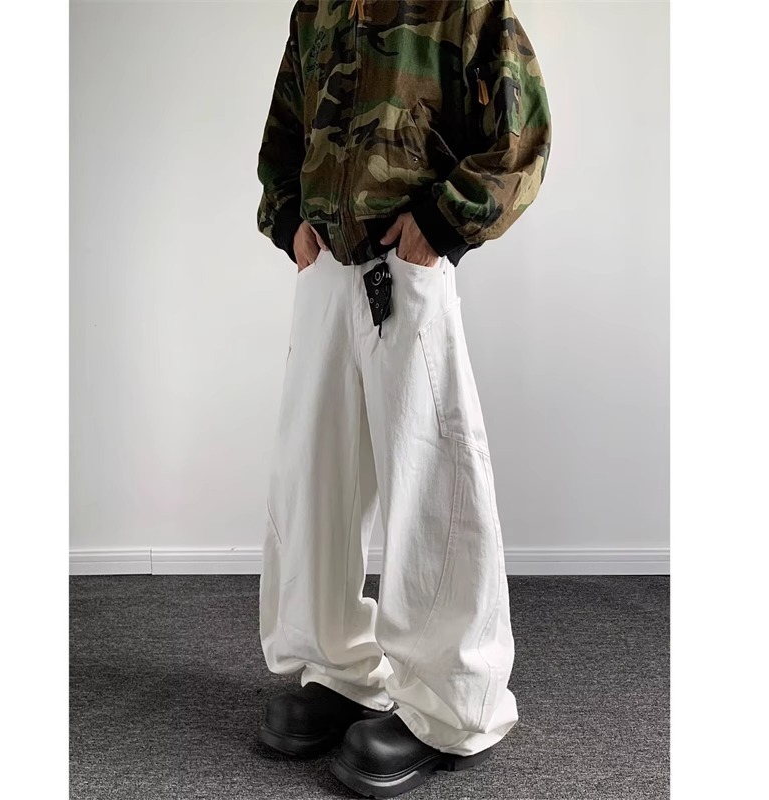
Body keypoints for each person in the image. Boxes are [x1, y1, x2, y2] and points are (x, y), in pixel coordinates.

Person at [255, 1, 550, 796]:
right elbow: (286, 123)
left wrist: (441, 222)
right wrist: (289, 218)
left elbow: (520, 135)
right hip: (325, 265)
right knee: (313, 475)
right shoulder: (316, 5)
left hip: (407, 262)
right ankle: (339, 668)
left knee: (431, 481)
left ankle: (453, 704)